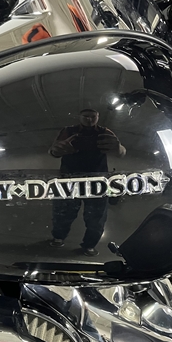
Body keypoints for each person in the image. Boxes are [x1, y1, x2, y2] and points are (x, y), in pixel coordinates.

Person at [48, 109, 125, 256]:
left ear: (98, 117)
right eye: (86, 116)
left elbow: (121, 152)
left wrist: (118, 147)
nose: (89, 119)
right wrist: (57, 150)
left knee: (97, 217)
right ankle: (58, 237)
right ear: (80, 117)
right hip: (70, 179)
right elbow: (53, 151)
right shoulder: (68, 131)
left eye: (93, 116)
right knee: (63, 213)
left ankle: (89, 245)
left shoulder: (104, 132)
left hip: (97, 182)